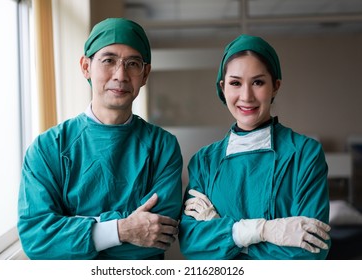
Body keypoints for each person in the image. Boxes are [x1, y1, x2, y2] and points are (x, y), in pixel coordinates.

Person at [17, 18, 183, 260]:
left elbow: (157, 236)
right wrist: (123, 229)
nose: (121, 75)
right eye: (108, 60)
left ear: (145, 74)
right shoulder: (47, 148)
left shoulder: (162, 147)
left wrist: (76, 230)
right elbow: (38, 240)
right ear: (86, 66)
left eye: (133, 63)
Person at [178, 34, 331, 260]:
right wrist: (264, 232)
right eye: (235, 83)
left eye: (258, 82)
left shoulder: (304, 154)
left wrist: (223, 232)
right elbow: (192, 243)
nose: (246, 96)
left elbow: (311, 252)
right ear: (223, 87)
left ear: (275, 87)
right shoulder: (204, 162)